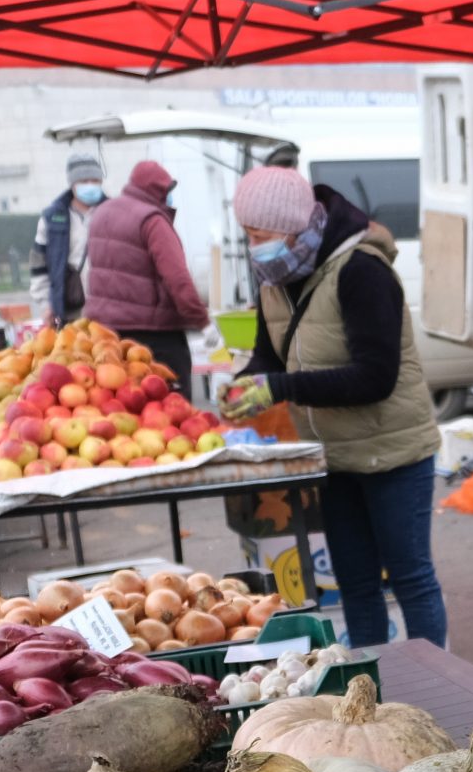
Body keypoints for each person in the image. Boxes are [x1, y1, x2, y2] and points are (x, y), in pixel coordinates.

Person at [217, 165, 445, 649]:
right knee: (355, 581)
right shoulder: (276, 276)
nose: (254, 245)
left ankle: (437, 683)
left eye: (260, 234)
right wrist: (246, 383)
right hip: (332, 458)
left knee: (409, 577)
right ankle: (369, 687)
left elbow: (376, 377)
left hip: (394, 454)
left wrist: (279, 387)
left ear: (292, 227)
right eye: (249, 235)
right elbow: (268, 353)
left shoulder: (362, 271)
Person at [78, 159, 208, 399]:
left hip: (106, 336)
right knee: (172, 407)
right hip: (155, 337)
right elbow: (178, 279)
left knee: (124, 406)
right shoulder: (152, 219)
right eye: (167, 191)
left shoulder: (102, 212)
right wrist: (202, 321)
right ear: (159, 190)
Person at [30, 153, 106, 325]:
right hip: (71, 311)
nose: (90, 185)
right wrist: (45, 303)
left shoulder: (114, 212)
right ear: (72, 183)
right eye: (84, 181)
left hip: (108, 311)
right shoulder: (51, 218)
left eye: (94, 180)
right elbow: (38, 264)